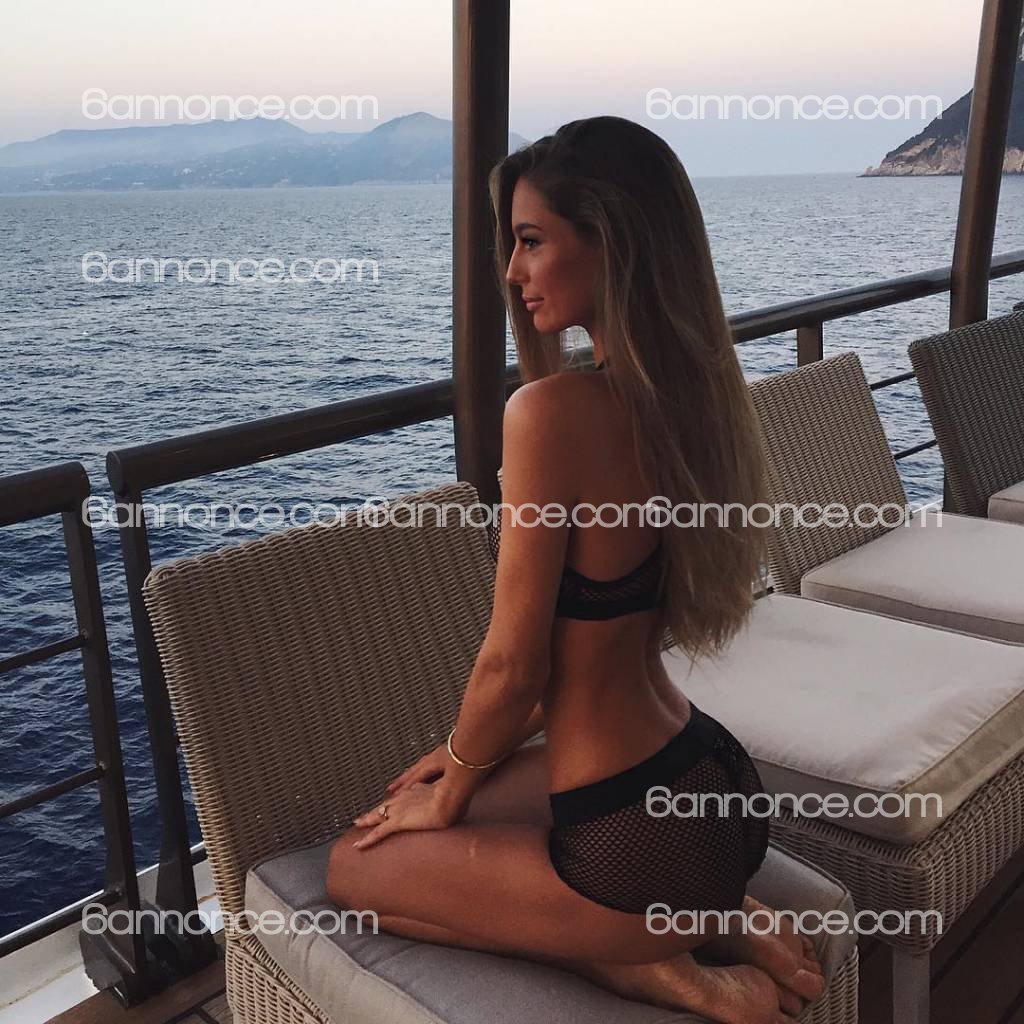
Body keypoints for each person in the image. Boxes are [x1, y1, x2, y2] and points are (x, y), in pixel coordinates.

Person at [327, 116, 825, 1024]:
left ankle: (642, 962)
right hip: (712, 779)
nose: (511, 272)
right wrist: (461, 757)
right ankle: (716, 914)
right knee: (436, 803)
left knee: (354, 874)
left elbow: (515, 666)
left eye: (531, 241)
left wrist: (455, 787)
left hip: (630, 838)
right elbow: (589, 649)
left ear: (612, 245)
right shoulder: (690, 398)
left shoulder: (548, 414)